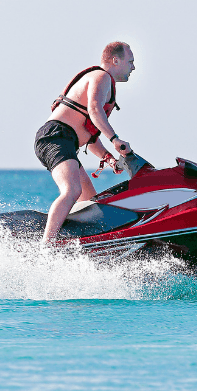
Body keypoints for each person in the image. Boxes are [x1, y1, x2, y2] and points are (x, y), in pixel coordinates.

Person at [34, 41, 135, 244]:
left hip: (65, 140)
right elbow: (95, 110)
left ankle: (82, 243)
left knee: (89, 201)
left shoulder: (106, 84)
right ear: (115, 60)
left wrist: (109, 159)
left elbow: (89, 135)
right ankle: (46, 248)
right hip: (55, 137)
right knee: (72, 191)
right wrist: (115, 139)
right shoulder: (101, 77)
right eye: (130, 61)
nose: (134, 67)